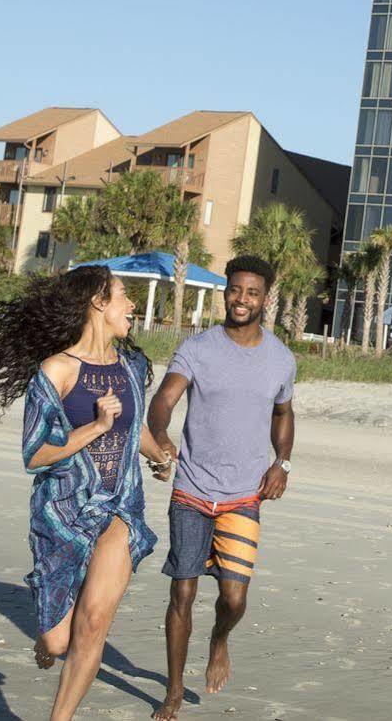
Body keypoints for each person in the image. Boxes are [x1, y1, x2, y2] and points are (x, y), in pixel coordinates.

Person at [0, 265, 176, 721]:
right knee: (59, 641)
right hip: (62, 512)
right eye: (123, 296)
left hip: (119, 507)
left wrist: (160, 456)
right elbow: (35, 455)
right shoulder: (56, 370)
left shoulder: (131, 366)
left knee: (94, 624)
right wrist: (96, 427)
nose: (132, 305)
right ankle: (47, 636)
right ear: (98, 302)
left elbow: (133, 431)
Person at [147, 256, 295, 719]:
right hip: (192, 488)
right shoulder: (197, 348)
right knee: (183, 593)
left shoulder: (281, 358)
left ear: (265, 298)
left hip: (243, 494)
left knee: (234, 598)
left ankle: (220, 639)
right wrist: (162, 435)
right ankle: (173, 691)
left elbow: (283, 414)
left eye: (252, 292)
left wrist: (282, 463)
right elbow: (164, 400)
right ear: (225, 292)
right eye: (235, 290)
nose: (241, 300)